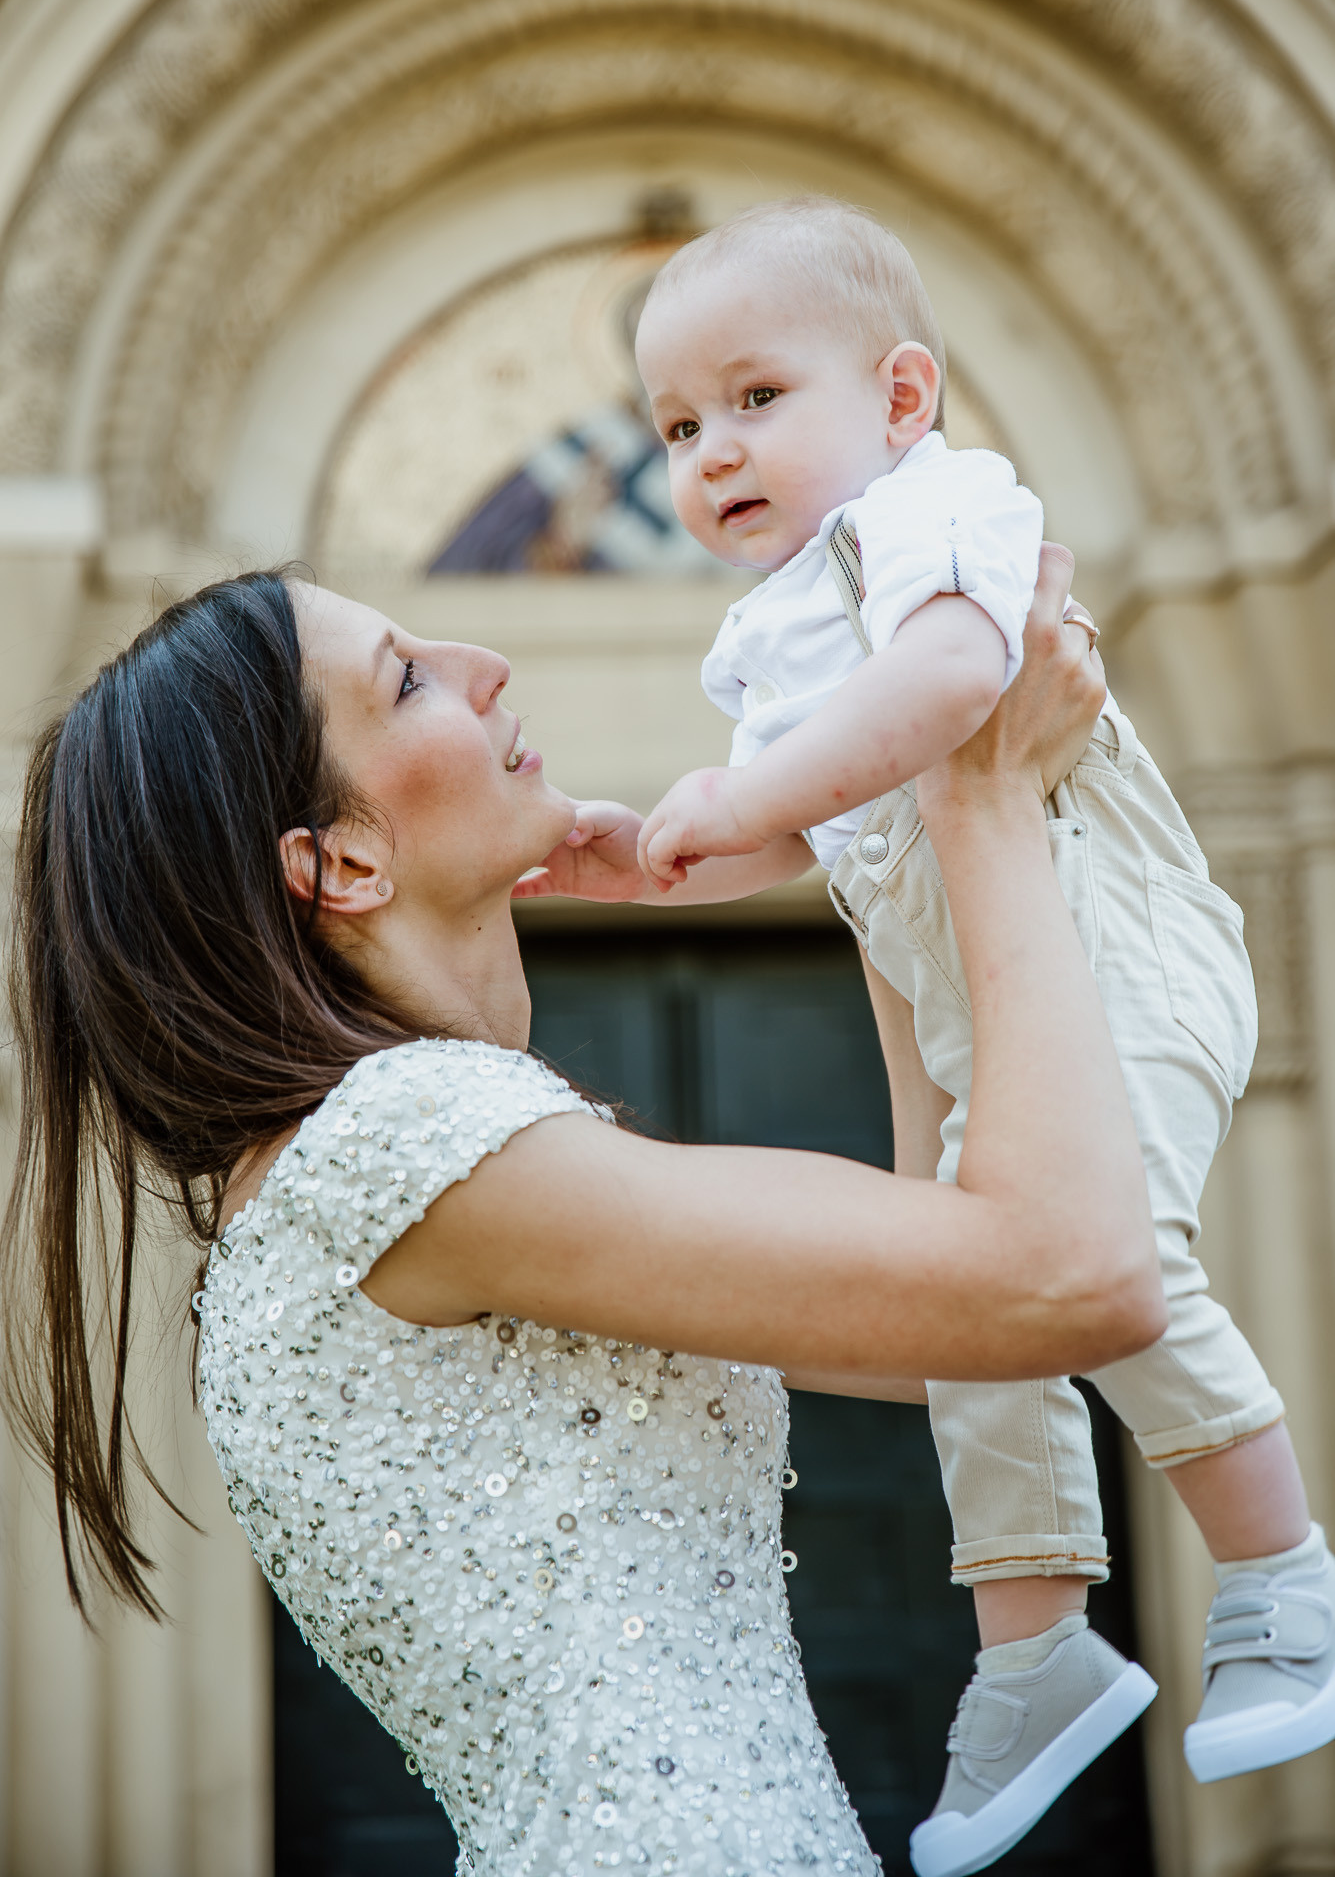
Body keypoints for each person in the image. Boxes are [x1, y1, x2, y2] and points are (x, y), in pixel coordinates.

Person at [0, 555, 1159, 1877]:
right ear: (344, 863)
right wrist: (986, 794)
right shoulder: (403, 1144)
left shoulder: (362, 1169)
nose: (482, 662)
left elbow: (955, 1323)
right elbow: (1072, 1279)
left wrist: (873, 851)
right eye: (411, 679)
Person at [553, 196, 1333, 1876]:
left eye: (756, 398)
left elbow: (954, 689)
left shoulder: (934, 510)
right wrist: (661, 860)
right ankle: (1035, 1646)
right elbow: (814, 827)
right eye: (678, 427)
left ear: (902, 396)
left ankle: (1281, 1577)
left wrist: (748, 787)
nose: (711, 452)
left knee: (1118, 1261)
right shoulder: (766, 634)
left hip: (1111, 949)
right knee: (984, 1300)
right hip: (994, 1000)